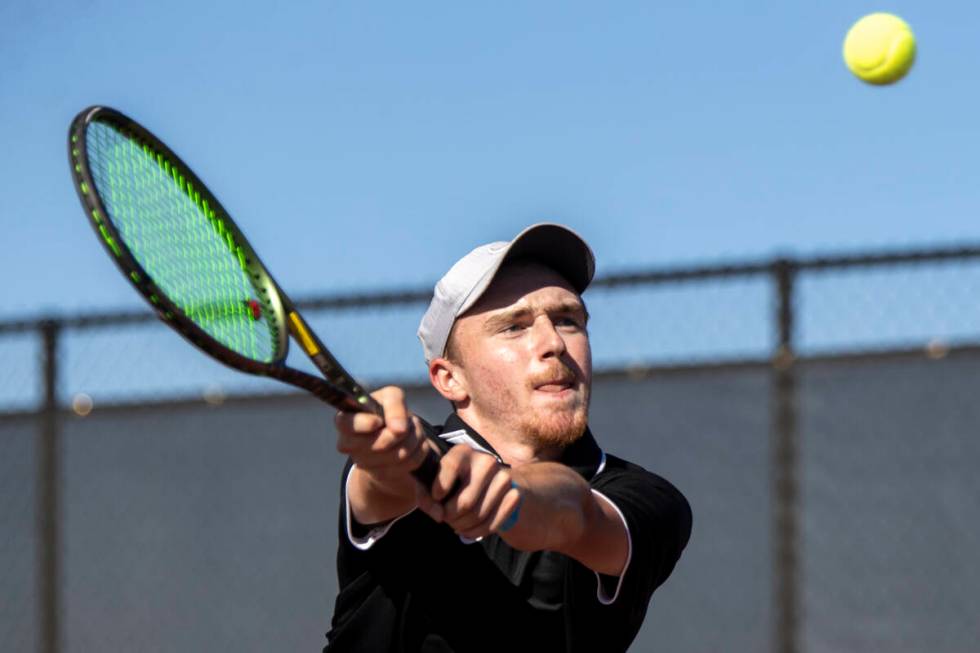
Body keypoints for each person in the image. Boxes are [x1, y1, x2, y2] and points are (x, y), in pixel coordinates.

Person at [325, 224, 692, 653]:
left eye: (567, 320)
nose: (553, 343)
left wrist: (507, 494)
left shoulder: (649, 499)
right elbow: (386, 482)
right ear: (449, 378)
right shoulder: (417, 452)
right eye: (514, 327)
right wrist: (391, 461)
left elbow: (577, 514)